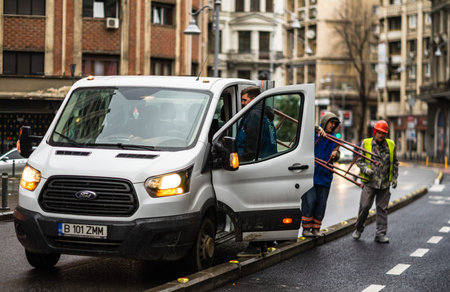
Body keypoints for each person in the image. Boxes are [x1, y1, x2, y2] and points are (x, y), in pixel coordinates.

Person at [236, 86, 277, 257]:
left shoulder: (253, 115)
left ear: (253, 99)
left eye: (244, 100)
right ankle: (264, 243)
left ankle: (255, 245)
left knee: (252, 207)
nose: (242, 103)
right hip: (266, 163)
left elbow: (252, 142)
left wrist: (243, 161)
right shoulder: (266, 116)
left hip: (255, 164)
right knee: (262, 206)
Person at [352, 120, 398, 243]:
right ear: (375, 132)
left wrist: (394, 178)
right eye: (379, 133)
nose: (381, 135)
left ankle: (380, 234)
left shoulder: (391, 145)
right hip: (369, 182)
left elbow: (395, 163)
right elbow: (359, 160)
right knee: (365, 206)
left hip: (384, 184)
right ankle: (358, 228)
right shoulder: (366, 143)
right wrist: (365, 169)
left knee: (382, 209)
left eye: (383, 133)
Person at [301, 112, 341, 237]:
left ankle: (316, 229)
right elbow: (304, 125)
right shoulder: (314, 132)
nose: (333, 125)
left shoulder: (334, 138)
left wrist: (336, 154)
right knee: (310, 201)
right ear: (324, 122)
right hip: (311, 175)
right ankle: (306, 229)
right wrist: (317, 128)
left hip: (325, 176)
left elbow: (337, 153)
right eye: (331, 122)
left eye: (335, 123)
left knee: (321, 204)